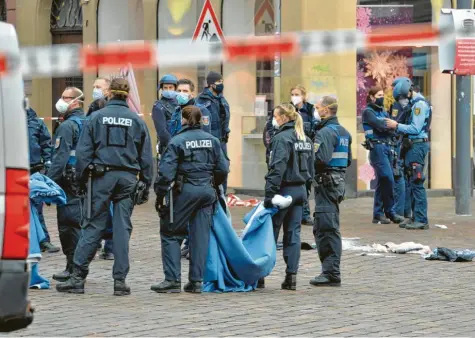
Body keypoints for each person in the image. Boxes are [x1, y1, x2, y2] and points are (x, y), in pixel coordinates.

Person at [56, 78, 153, 295]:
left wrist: (81, 180)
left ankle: (78, 278)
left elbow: (83, 153)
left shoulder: (96, 118)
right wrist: (146, 183)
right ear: (127, 95)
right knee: (121, 230)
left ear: (109, 93)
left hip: (100, 178)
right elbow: (146, 156)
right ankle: (120, 282)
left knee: (92, 227)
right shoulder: (136, 121)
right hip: (127, 179)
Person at [151, 106, 229, 294]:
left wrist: (160, 194)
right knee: (200, 236)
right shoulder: (212, 140)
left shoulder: (177, 141)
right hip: (207, 191)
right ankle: (196, 281)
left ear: (184, 120)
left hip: (184, 191)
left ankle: (172, 280)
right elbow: (223, 169)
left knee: (171, 232)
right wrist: (212, 184)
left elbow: (166, 173)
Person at [258, 103, 314, 291]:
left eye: (275, 116)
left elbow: (277, 168)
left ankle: (260, 276)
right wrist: (305, 192)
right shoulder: (305, 138)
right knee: (293, 235)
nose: (274, 119)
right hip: (299, 192)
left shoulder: (281, 138)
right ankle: (291, 277)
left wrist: (269, 194)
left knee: (269, 234)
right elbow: (311, 169)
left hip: (283, 191)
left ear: (283, 117)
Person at [309, 96, 351, 287]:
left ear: (326, 110)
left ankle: (331, 272)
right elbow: (347, 160)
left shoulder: (325, 132)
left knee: (326, 227)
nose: (316, 110)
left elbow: (321, 159)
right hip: (338, 181)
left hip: (326, 182)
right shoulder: (344, 132)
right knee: (326, 225)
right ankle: (330, 271)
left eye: (318, 107)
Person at [47, 87, 86, 282]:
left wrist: (49, 184)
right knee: (80, 223)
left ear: (76, 101)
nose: (61, 101)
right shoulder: (88, 121)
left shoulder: (67, 126)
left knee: (68, 226)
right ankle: (76, 266)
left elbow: (60, 158)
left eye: (65, 97)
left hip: (68, 182)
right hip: (85, 181)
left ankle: (73, 267)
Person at [385, 77, 432, 230]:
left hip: (417, 146)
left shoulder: (419, 105)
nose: (401, 101)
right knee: (411, 182)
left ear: (409, 92)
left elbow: (415, 128)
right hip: (411, 147)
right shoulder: (412, 105)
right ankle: (413, 217)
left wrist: (396, 125)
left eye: (402, 98)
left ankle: (421, 219)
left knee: (417, 182)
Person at [362, 86, 405, 225]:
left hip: (387, 148)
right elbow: (381, 125)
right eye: (379, 95)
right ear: (372, 97)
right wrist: (389, 126)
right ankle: (390, 212)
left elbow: (391, 130)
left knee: (383, 181)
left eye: (383, 95)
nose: (382, 97)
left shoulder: (384, 112)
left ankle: (378, 214)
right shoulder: (368, 112)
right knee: (388, 178)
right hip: (377, 148)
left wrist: (391, 127)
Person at [26, 100, 60, 253]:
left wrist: (47, 165)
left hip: (33, 169)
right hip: (10, 171)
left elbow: (46, 144)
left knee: (36, 206)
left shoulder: (35, 122)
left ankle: (43, 241)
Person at [86, 95, 114, 260]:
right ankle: (110, 247)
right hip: (113, 171)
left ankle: (97, 245)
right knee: (110, 211)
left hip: (98, 173)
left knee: (95, 211)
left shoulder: (92, 120)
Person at [195, 71, 231, 194]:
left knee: (224, 169)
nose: (221, 84)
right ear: (211, 84)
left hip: (221, 141)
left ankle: (222, 196)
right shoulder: (201, 100)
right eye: (219, 82)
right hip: (208, 143)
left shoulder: (221, 99)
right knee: (210, 171)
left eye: (222, 82)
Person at [291, 85, 319, 226]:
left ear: (303, 96)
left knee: (307, 182)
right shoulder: (288, 110)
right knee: (298, 182)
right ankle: (303, 214)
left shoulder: (311, 110)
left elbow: (316, 128)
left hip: (306, 151)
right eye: (292, 94)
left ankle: (304, 213)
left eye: (297, 94)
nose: (294, 97)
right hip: (294, 151)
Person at [152, 74, 179, 157]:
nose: (168, 90)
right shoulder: (158, 107)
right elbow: (162, 132)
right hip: (169, 148)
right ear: (161, 89)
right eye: (165, 88)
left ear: (175, 88)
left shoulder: (180, 103)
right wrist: (175, 146)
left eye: (170, 87)